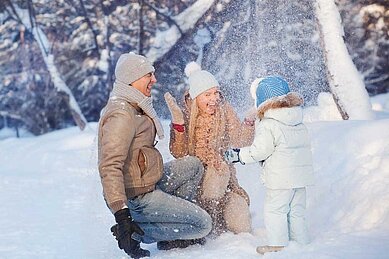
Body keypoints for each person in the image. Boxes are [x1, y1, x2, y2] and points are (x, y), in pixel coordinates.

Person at [98, 53, 212, 258]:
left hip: (149, 181)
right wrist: (123, 217)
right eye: (148, 75)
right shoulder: (121, 114)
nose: (154, 79)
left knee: (193, 165)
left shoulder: (134, 105)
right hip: (137, 197)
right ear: (132, 79)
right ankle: (138, 232)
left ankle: (172, 228)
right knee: (203, 224)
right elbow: (109, 166)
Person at [224, 76, 314, 254]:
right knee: (296, 211)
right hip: (300, 178)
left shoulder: (268, 124)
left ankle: (278, 244)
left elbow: (259, 151)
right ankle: (301, 242)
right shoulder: (298, 121)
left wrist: (238, 155)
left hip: (280, 179)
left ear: (262, 102)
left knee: (276, 210)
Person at [164, 62, 255, 236]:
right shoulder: (185, 113)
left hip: (224, 181)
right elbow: (179, 153)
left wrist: (249, 120)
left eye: (216, 93)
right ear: (196, 96)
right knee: (215, 172)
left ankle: (220, 214)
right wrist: (179, 124)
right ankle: (208, 220)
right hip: (195, 181)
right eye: (207, 94)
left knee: (242, 222)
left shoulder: (224, 110)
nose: (213, 99)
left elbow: (240, 140)